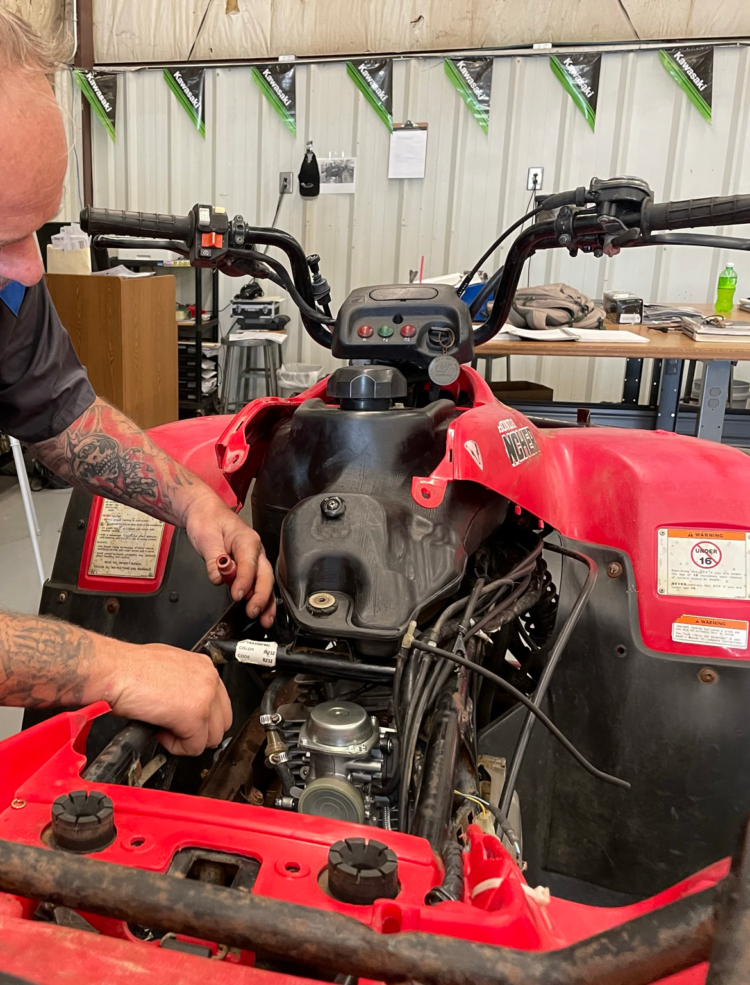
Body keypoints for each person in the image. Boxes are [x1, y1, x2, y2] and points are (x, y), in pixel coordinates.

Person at [0, 10, 275, 756]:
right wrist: (117, 669)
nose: (28, 269)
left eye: (36, 231)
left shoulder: (10, 288)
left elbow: (67, 418)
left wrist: (194, 504)